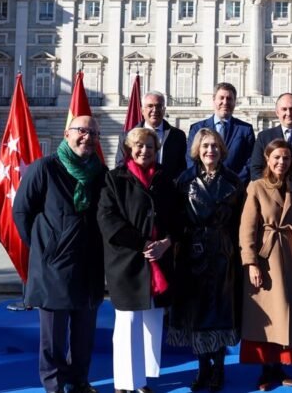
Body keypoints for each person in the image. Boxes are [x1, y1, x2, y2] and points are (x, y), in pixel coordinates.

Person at [12, 116, 107, 393]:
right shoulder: (45, 168)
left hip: (89, 265)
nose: (87, 137)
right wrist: (47, 247)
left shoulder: (99, 172)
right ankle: (54, 385)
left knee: (84, 334)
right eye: (81, 131)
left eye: (93, 133)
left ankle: (79, 380)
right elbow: (22, 212)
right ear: (67, 133)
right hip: (54, 267)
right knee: (52, 337)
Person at [98, 127, 182, 393]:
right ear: (129, 149)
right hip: (127, 261)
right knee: (128, 322)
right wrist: (144, 245)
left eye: (150, 146)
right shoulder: (114, 179)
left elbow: (178, 219)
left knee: (153, 320)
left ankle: (142, 379)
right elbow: (108, 219)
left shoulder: (165, 179)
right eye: (139, 146)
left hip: (160, 261)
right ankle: (125, 382)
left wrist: (167, 243)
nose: (145, 151)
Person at [168, 128, 245, 391]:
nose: (210, 150)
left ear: (221, 150)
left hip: (224, 253)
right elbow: (176, 219)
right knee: (197, 315)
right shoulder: (184, 180)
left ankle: (219, 370)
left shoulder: (234, 181)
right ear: (197, 151)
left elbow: (239, 222)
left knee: (221, 313)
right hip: (193, 253)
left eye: (214, 146)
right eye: (205, 146)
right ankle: (203, 369)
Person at [239, 139, 292, 391]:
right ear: (267, 159)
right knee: (265, 316)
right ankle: (265, 370)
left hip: (289, 257)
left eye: (286, 158)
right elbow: (246, 229)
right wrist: (251, 263)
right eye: (277, 157)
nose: (281, 162)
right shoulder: (256, 187)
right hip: (265, 260)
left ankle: (280, 366)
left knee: (286, 312)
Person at [187, 82, 256, 185]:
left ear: (234, 102)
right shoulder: (197, 128)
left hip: (235, 190)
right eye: (221, 98)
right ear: (214, 100)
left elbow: (250, 162)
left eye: (229, 99)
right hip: (204, 188)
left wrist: (234, 184)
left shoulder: (245, 130)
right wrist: (204, 182)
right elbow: (191, 159)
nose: (225, 102)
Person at [116, 91, 188, 181]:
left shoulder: (178, 136)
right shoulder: (126, 136)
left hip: (168, 190)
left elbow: (182, 167)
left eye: (159, 106)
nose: (155, 110)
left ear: (164, 110)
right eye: (150, 106)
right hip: (136, 188)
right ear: (142, 110)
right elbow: (120, 165)